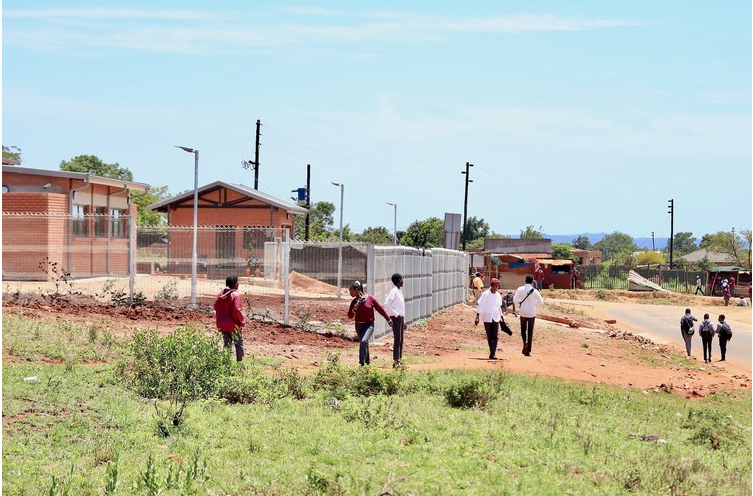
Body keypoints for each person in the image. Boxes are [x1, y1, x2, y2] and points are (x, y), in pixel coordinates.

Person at [347, 280, 391, 366]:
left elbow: (380, 309)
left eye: (351, 290)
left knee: (363, 341)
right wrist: (354, 310)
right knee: (364, 343)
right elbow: (350, 316)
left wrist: (388, 319)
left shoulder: (370, 299)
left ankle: (362, 364)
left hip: (368, 325)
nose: (350, 293)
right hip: (358, 325)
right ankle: (367, 363)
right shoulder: (354, 302)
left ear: (356, 290)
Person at [214, 275, 246, 361]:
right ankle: (240, 365)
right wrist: (242, 321)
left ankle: (226, 364)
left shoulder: (220, 295)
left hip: (222, 325)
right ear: (234, 284)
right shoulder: (236, 295)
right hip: (234, 325)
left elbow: (216, 307)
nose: (238, 284)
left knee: (227, 344)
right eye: (237, 282)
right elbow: (236, 310)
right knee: (238, 344)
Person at [513, 274, 545, 356]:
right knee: (530, 331)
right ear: (532, 281)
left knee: (523, 330)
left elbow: (515, 300)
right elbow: (541, 302)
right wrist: (534, 302)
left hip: (523, 312)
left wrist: (520, 301)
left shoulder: (520, 289)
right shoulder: (535, 291)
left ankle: (524, 342)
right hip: (531, 312)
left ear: (525, 281)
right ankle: (528, 351)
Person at [474, 277, 504, 360]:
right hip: (487, 317)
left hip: (496, 317)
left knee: (495, 336)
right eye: (496, 286)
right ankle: (492, 352)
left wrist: (502, 318)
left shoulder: (498, 295)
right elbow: (481, 305)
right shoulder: (486, 294)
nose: (497, 287)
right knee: (489, 336)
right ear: (492, 285)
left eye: (498, 286)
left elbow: (499, 307)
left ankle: (493, 353)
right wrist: (477, 317)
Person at [384, 273, 406, 368]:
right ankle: (396, 361)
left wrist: (403, 320)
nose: (403, 281)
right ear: (399, 280)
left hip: (400, 318)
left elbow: (400, 306)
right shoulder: (394, 291)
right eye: (402, 280)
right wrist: (396, 315)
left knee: (400, 339)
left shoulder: (399, 291)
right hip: (396, 318)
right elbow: (386, 304)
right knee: (397, 339)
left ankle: (399, 360)